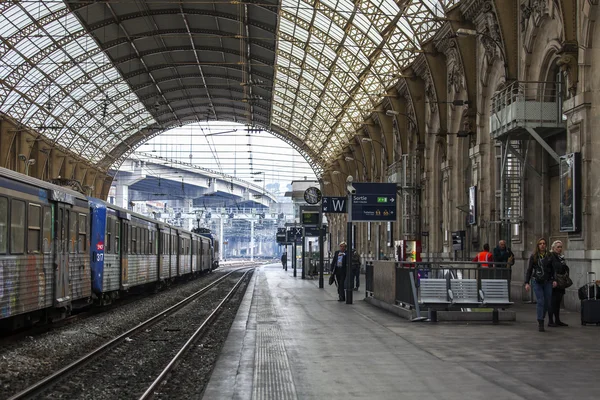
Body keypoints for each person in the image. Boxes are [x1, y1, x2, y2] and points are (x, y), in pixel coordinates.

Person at [525, 238, 556, 332]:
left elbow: (553, 269)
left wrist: (554, 279)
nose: (542, 245)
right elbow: (529, 270)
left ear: (546, 245)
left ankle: (541, 316)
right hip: (537, 281)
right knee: (540, 301)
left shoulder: (550, 256)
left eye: (544, 243)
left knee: (547, 301)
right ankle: (540, 321)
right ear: (538, 245)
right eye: (540, 244)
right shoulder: (534, 256)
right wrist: (526, 282)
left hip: (547, 281)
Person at [546, 240, 569, 327]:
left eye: (561, 247)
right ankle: (551, 321)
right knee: (552, 301)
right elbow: (551, 268)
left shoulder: (560, 257)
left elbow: (563, 268)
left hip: (561, 282)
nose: (559, 249)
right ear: (553, 248)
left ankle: (557, 320)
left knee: (558, 302)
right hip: (554, 281)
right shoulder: (551, 256)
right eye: (558, 247)